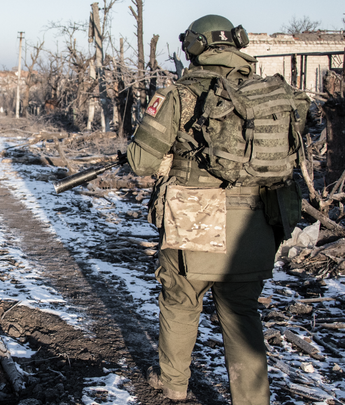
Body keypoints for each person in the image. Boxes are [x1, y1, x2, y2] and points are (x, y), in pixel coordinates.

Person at [126, 15, 310, 404]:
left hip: (196, 215)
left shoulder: (178, 94)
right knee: (242, 313)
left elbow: (141, 161)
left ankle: (174, 386)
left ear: (194, 47)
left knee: (181, 299)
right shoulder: (270, 94)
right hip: (258, 220)